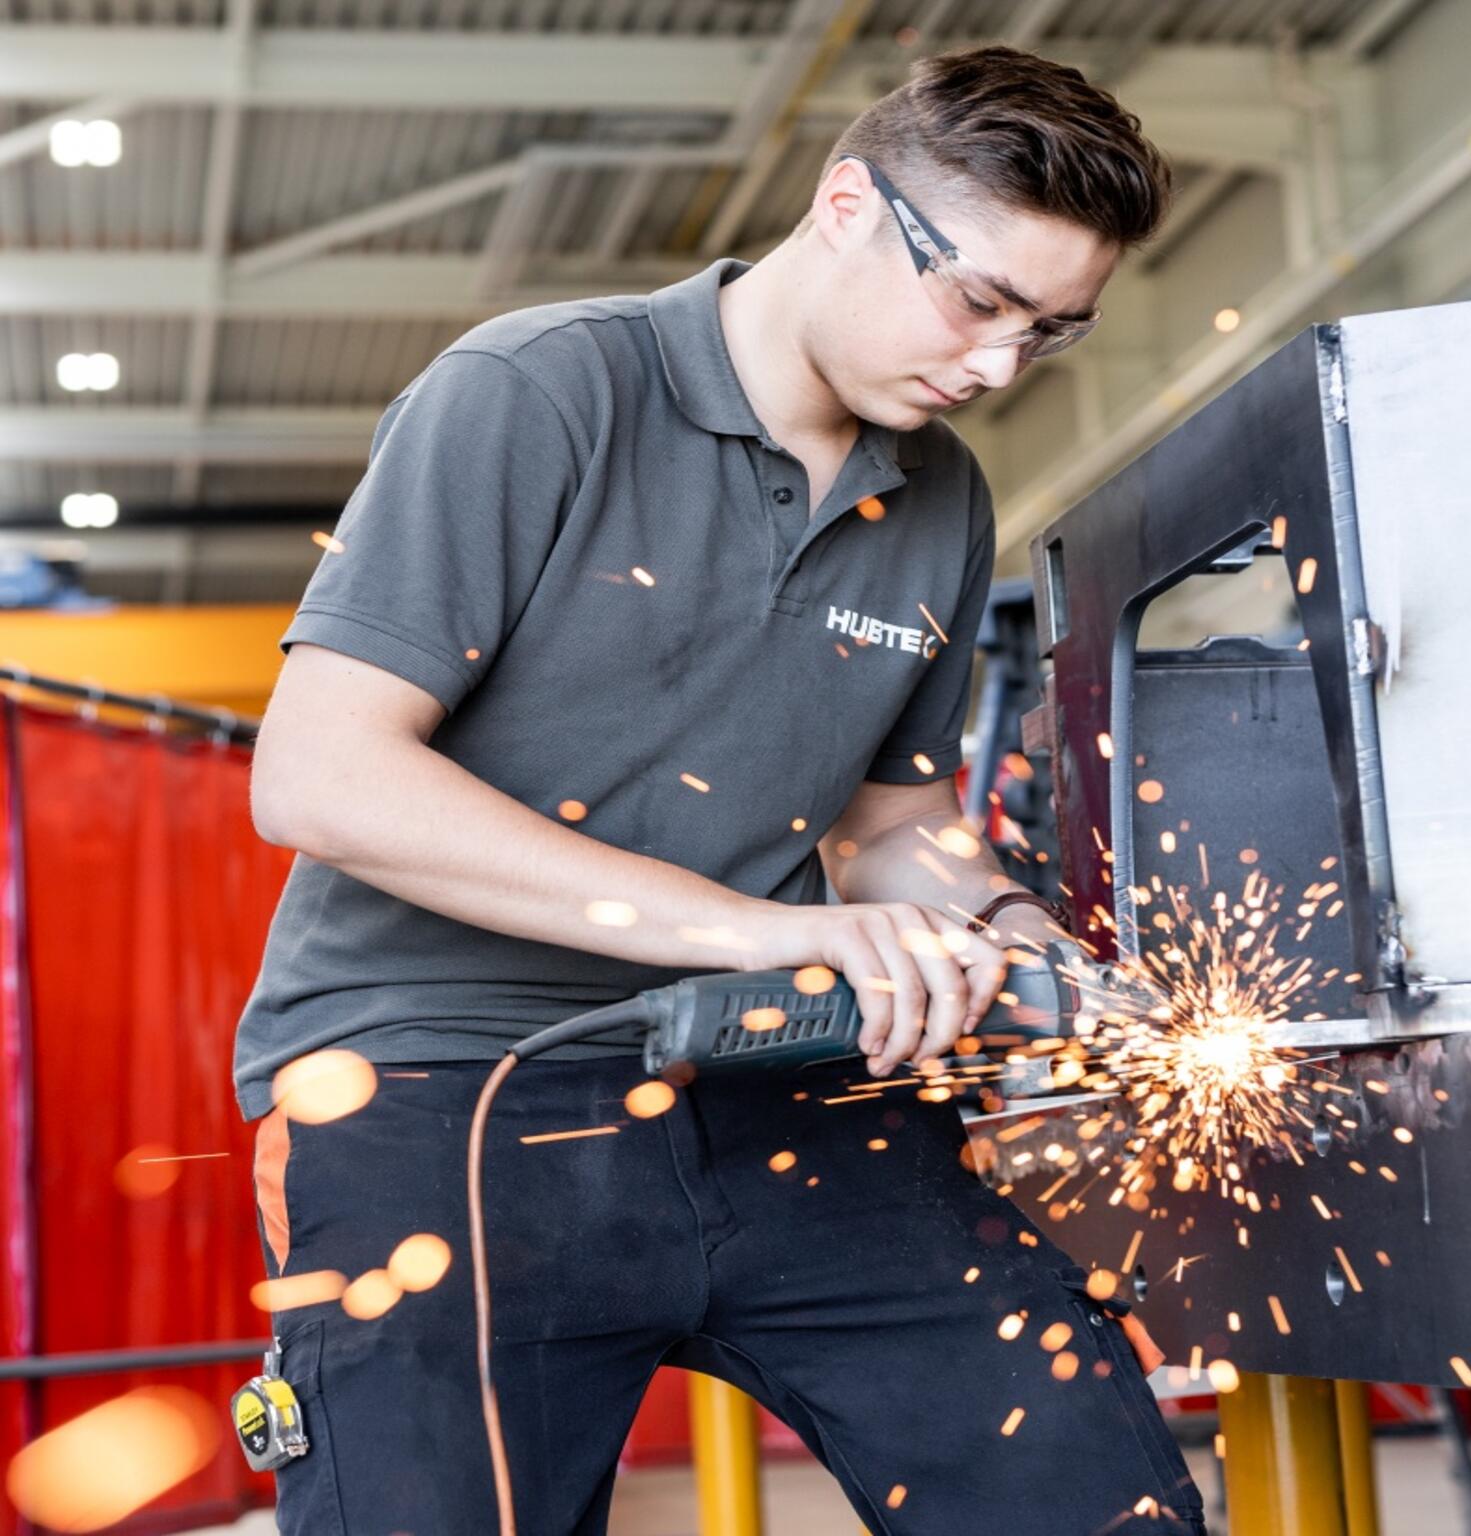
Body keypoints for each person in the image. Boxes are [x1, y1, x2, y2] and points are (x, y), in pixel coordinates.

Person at [234, 42, 1201, 1535]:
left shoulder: (936, 491)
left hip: (775, 1075)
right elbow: (319, 775)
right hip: (445, 1089)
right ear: (846, 208)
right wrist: (764, 933)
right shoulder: (539, 391)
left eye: (1051, 333)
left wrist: (1013, 931)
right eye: (982, 302)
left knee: (1079, 1490)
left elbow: (887, 825)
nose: (1001, 366)